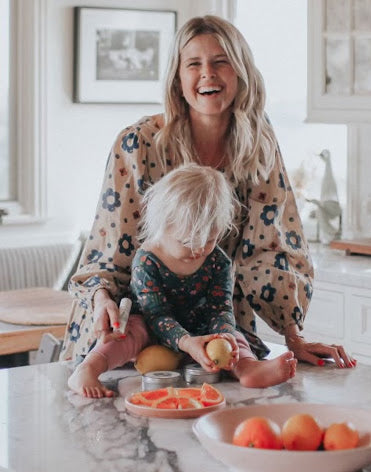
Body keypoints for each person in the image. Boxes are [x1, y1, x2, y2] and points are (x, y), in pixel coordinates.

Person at [61, 14, 356, 372]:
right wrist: (101, 301)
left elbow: (271, 246)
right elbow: (111, 251)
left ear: (241, 73)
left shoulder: (258, 147)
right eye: (194, 64)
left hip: (212, 324)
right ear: (178, 80)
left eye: (221, 62)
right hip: (131, 327)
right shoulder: (138, 144)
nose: (208, 74)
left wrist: (294, 337)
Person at [68, 164, 297, 397]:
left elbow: (220, 308)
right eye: (188, 242)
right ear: (162, 225)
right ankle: (87, 369)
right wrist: (187, 343)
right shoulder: (147, 260)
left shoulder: (219, 261)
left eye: (209, 240)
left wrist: (224, 336)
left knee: (235, 336)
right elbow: (157, 315)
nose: (199, 250)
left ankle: (248, 368)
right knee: (128, 332)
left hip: (199, 330)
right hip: (152, 332)